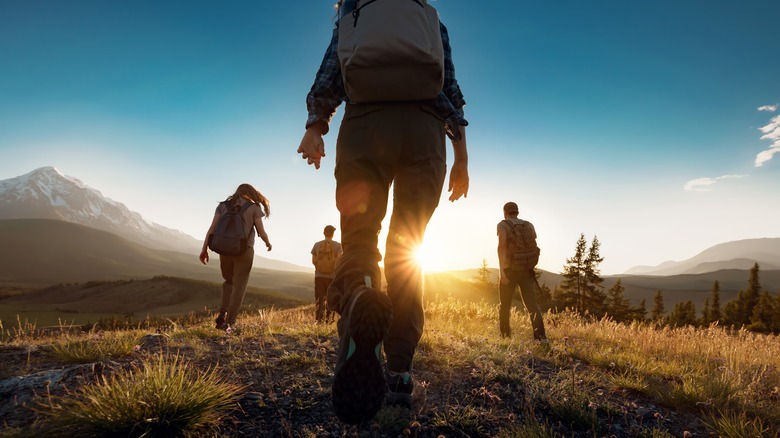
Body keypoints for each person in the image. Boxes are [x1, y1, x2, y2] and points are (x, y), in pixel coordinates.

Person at [296, 0, 469, 424]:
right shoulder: (428, 15)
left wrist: (315, 126)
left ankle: (358, 295)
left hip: (364, 128)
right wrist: (461, 157)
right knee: (407, 250)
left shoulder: (355, 11)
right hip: (424, 135)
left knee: (358, 239)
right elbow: (450, 88)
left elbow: (331, 71)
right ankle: (399, 373)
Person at [199, 183, 272, 331]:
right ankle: (230, 322)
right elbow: (261, 232)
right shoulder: (254, 208)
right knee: (239, 286)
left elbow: (212, 228)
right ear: (251, 193)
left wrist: (204, 249)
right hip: (244, 251)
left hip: (224, 249)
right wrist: (268, 243)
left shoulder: (223, 206)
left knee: (228, 281)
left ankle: (222, 313)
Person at [496, 202, 547, 341]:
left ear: (505, 212)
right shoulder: (529, 225)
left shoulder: (503, 225)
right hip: (526, 269)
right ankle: (541, 339)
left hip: (509, 270)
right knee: (532, 305)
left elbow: (502, 247)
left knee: (505, 305)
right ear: (517, 212)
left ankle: (505, 338)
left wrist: (502, 271)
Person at [311, 225, 343, 323]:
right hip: (332, 277)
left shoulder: (317, 245)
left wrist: (320, 267)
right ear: (333, 234)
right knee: (331, 298)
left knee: (319, 298)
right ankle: (329, 320)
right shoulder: (338, 246)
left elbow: (313, 261)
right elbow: (339, 260)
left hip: (319, 276)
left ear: (324, 233)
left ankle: (319, 320)